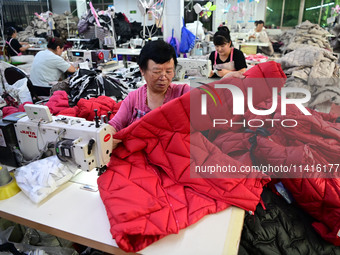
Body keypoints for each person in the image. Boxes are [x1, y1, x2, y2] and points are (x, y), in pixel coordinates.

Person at [109, 40, 190, 147]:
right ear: (142, 70)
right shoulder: (134, 98)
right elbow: (114, 125)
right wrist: (107, 137)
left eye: (169, 71)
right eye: (157, 72)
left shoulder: (183, 92)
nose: (163, 77)